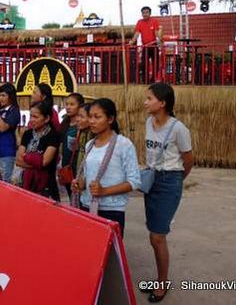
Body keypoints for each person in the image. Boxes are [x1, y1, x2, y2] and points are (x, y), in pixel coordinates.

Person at [142, 82, 193, 302]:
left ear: (162, 103)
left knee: (157, 236)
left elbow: (188, 160)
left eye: (150, 98)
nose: (145, 102)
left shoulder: (179, 129)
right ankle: (159, 279)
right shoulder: (148, 123)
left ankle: (162, 284)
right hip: (151, 179)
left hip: (169, 181)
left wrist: (176, 180)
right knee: (154, 233)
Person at [71, 98, 141, 237]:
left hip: (112, 209)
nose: (92, 121)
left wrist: (104, 191)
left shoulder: (124, 145)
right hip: (87, 205)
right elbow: (87, 175)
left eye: (97, 117)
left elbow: (134, 181)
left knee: (109, 255)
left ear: (110, 119)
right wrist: (80, 184)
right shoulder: (90, 144)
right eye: (90, 116)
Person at [16, 101, 61, 200]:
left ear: (47, 118)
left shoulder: (53, 136)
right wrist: (37, 162)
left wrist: (26, 157)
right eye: (30, 116)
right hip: (26, 182)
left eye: (35, 117)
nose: (31, 120)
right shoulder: (28, 134)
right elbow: (18, 161)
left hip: (46, 186)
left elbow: (45, 162)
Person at [58, 93, 85, 199]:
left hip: (78, 168)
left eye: (72, 104)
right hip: (66, 167)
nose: (68, 107)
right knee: (72, 199)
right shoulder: (65, 123)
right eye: (67, 104)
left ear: (80, 106)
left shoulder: (83, 126)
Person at [129, 6, 163, 83]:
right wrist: (132, 41)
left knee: (156, 64)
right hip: (145, 46)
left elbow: (156, 33)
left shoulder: (154, 21)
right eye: (143, 13)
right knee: (144, 64)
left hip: (153, 45)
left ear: (150, 13)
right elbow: (137, 33)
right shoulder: (139, 22)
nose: (145, 14)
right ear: (142, 14)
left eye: (147, 12)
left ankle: (153, 79)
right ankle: (145, 80)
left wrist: (160, 40)